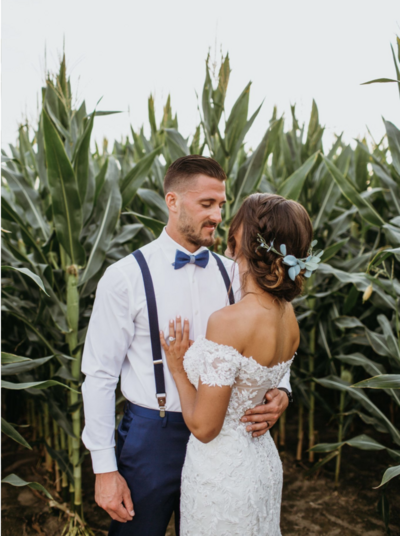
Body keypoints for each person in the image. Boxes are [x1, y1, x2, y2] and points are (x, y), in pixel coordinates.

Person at [81, 155, 293, 536]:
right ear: (173, 201)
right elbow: (98, 375)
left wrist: (280, 390)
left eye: (222, 205)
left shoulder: (236, 272)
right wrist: (105, 469)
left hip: (224, 442)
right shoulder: (126, 277)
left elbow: (266, 338)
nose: (216, 216)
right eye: (206, 204)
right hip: (152, 437)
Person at [161, 192, 320, 535]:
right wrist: (282, 393)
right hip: (260, 462)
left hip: (222, 473)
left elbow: (205, 428)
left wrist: (177, 367)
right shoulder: (287, 316)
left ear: (243, 240)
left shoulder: (229, 321)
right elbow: (267, 378)